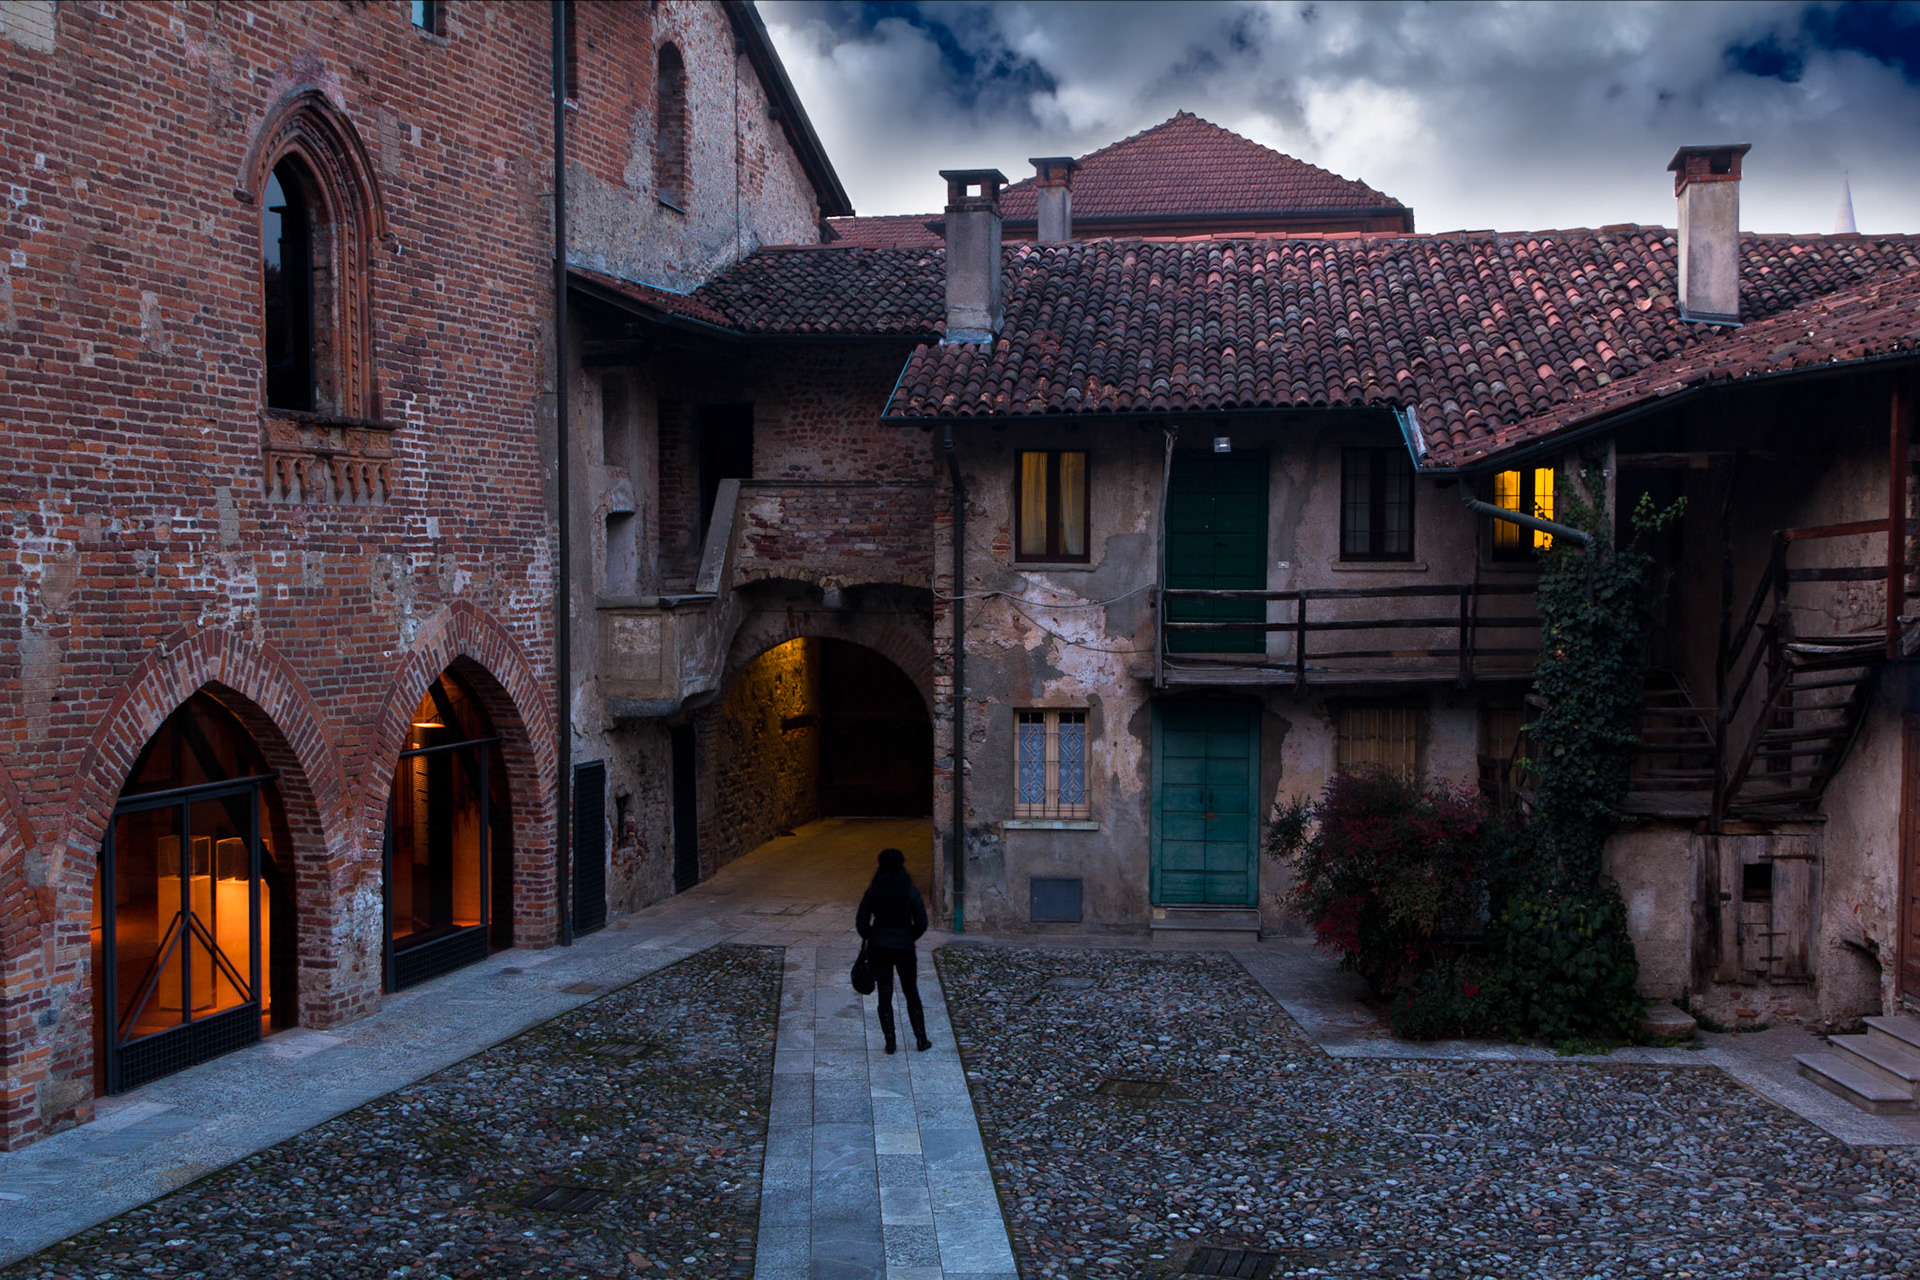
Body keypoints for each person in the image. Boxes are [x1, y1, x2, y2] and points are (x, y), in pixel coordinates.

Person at [855, 846, 931, 1054]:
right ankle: (921, 1039)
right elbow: (922, 922)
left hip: (880, 947)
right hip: (904, 948)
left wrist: (873, 936)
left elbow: (861, 922)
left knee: (885, 992)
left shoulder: (873, 892)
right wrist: (908, 936)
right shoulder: (910, 891)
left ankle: (890, 1041)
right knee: (911, 991)